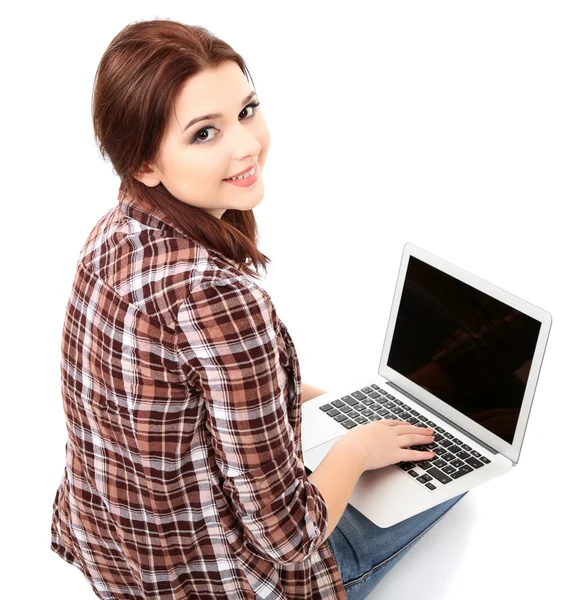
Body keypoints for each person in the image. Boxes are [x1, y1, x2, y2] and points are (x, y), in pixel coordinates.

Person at [50, 18, 467, 600]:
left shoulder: (112, 235)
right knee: (453, 479)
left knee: (416, 416)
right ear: (143, 163)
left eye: (246, 111)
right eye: (204, 133)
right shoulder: (218, 297)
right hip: (227, 583)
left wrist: (318, 402)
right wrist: (357, 446)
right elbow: (290, 536)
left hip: (121, 562)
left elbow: (172, 393)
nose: (246, 145)